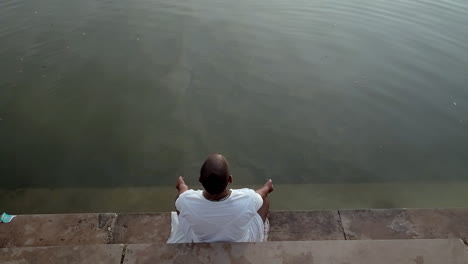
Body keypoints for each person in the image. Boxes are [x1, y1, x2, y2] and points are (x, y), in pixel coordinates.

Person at [169, 153, 274, 243]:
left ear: (200, 179)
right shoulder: (248, 198)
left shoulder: (187, 200)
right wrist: (267, 187)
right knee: (263, 200)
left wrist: (182, 187)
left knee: (179, 200)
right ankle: (260, 234)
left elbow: (182, 196)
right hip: (241, 242)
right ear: (230, 179)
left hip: (199, 242)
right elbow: (262, 193)